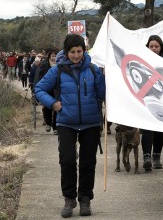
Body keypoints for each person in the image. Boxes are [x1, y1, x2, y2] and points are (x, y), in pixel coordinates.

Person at [35, 34, 105, 218]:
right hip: (66, 122)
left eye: (79, 51)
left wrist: (102, 78)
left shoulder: (93, 69)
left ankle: (85, 199)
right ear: (66, 52)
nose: (76, 55)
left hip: (91, 122)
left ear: (84, 51)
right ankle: (69, 199)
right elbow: (39, 89)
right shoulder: (57, 70)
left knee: (88, 163)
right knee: (67, 161)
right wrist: (53, 103)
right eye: (72, 52)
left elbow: (103, 94)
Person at [141, 35, 163, 171]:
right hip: (146, 98)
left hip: (161, 99)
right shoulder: (141, 62)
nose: (154, 49)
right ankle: (146, 157)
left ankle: (157, 156)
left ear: (160, 48)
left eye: (156, 46)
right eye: (151, 46)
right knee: (147, 128)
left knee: (159, 129)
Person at [35, 49, 58, 133]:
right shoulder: (44, 64)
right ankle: (48, 123)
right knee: (47, 107)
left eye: (55, 56)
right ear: (49, 57)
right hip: (47, 90)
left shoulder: (60, 65)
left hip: (56, 90)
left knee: (57, 108)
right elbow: (39, 76)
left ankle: (55, 127)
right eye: (52, 56)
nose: (54, 58)